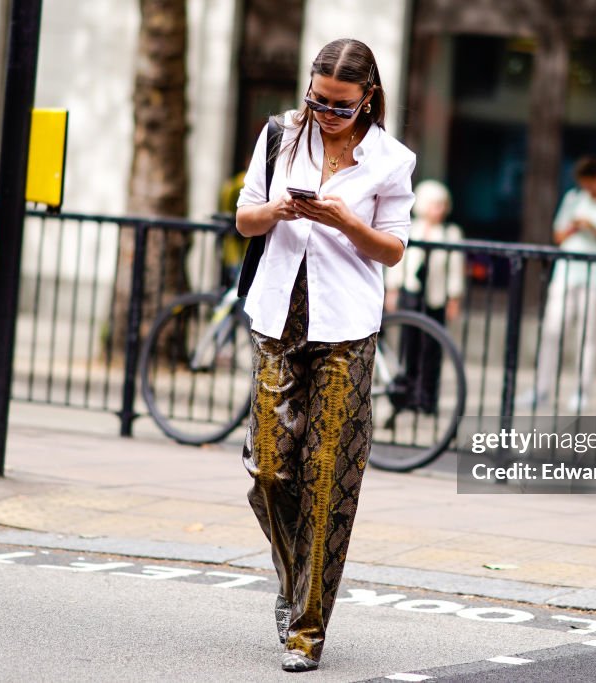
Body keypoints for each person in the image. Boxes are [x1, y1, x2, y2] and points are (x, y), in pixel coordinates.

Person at [235, 38, 415, 673]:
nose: (325, 112)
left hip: (346, 330)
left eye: (340, 104)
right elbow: (244, 222)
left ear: (368, 98)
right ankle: (293, 586)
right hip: (277, 321)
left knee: (326, 483)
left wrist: (345, 221)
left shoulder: (392, 160)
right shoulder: (281, 135)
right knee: (266, 471)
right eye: (317, 98)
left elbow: (392, 250)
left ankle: (306, 628)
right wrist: (278, 207)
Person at [516, 156, 596, 412]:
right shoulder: (573, 198)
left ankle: (582, 392)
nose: (587, 189)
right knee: (552, 332)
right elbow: (558, 235)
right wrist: (573, 227)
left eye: (590, 183)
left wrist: (593, 228)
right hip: (566, 272)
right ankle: (541, 388)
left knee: (588, 337)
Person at [384, 179, 465, 416]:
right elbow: (398, 263)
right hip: (412, 292)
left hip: (436, 296)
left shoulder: (450, 233)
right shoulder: (411, 227)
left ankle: (428, 399)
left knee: (432, 349)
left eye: (442, 205)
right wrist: (393, 289)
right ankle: (408, 395)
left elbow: (455, 269)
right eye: (434, 205)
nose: (438, 210)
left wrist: (454, 298)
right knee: (409, 345)